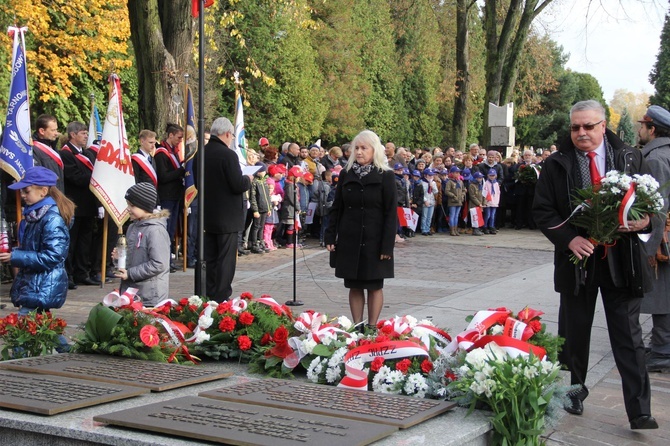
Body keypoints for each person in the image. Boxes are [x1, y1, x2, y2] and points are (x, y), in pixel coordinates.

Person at [533, 99, 658, 430]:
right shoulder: (557, 163)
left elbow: (651, 203)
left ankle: (639, 410)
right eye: (575, 127)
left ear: (604, 125)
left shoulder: (630, 157)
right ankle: (574, 391)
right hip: (579, 260)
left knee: (629, 337)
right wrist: (569, 239)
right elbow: (543, 210)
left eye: (588, 126)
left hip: (623, 261)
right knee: (574, 334)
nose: (581, 133)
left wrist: (644, 222)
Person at [325, 130, 397, 328]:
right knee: (354, 284)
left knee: (374, 285)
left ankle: (372, 327)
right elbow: (337, 207)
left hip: (375, 239)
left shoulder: (386, 176)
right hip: (350, 238)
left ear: (374, 150)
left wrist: (387, 246)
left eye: (364, 148)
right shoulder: (346, 174)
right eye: (356, 147)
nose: (358, 152)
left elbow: (391, 213)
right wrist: (330, 235)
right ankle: (358, 327)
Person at [0, 167, 75, 348]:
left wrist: (15, 256)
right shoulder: (34, 215)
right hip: (35, 282)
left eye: (27, 191)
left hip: (43, 282)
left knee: (22, 329)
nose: (23, 195)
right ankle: (70, 354)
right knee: (44, 326)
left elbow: (53, 256)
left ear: (43, 191)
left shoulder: (52, 218)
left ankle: (17, 365)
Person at [196, 117, 252, 301]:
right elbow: (237, 184)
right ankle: (221, 296)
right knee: (226, 260)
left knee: (210, 257)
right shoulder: (228, 155)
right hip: (227, 217)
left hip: (207, 214)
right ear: (227, 134)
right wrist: (248, 180)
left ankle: (208, 293)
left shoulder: (201, 153)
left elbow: (197, 183)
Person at [638, 105, 670, 373]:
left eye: (643, 126)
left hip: (663, 239)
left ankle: (662, 350)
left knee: (662, 295)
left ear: (653, 129)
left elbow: (658, 206)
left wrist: (650, 246)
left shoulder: (657, 158)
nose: (639, 130)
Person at [113, 183, 170, 306]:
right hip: (131, 294)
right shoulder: (133, 227)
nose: (128, 208)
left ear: (144, 206)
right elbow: (132, 257)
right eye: (128, 204)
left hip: (149, 297)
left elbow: (159, 264)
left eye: (132, 205)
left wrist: (130, 273)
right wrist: (119, 259)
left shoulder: (156, 231)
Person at [60, 121, 99, 288]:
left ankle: (81, 272)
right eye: (82, 133)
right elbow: (73, 177)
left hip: (89, 204)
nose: (85, 136)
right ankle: (68, 275)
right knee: (72, 241)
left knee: (85, 241)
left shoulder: (88, 154)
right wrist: (95, 178)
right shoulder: (66, 154)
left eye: (85, 133)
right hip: (74, 203)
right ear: (73, 135)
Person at [155, 123, 185, 272]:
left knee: (172, 229)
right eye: (178, 137)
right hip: (166, 196)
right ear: (170, 135)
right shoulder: (161, 153)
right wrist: (181, 171)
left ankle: (169, 259)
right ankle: (163, 260)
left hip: (175, 196)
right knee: (165, 229)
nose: (180, 141)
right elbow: (163, 176)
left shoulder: (173, 152)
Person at [32, 114, 65, 192]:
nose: (56, 133)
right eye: (53, 130)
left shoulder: (53, 146)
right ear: (42, 131)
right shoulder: (33, 149)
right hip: (47, 195)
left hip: (58, 193)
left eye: (56, 130)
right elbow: (38, 175)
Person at [483, 169, 500, 234]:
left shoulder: (496, 183)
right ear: (488, 175)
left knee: (493, 215)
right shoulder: (486, 183)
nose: (492, 177)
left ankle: (491, 226)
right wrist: (486, 201)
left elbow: (498, 193)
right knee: (488, 215)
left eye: (493, 175)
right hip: (488, 202)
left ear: (495, 176)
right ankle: (485, 226)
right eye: (490, 175)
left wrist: (497, 201)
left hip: (495, 201)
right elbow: (485, 192)